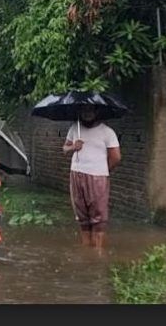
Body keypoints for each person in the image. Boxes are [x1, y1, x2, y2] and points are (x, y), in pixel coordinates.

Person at [62, 105, 121, 251]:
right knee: (82, 217)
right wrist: (73, 147)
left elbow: (116, 157)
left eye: (90, 110)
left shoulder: (107, 132)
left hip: (98, 176)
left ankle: (98, 252)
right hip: (76, 173)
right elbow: (64, 148)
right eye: (83, 110)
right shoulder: (74, 128)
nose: (87, 114)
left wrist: (103, 171)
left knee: (99, 217)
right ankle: (86, 250)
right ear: (79, 112)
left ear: (97, 112)